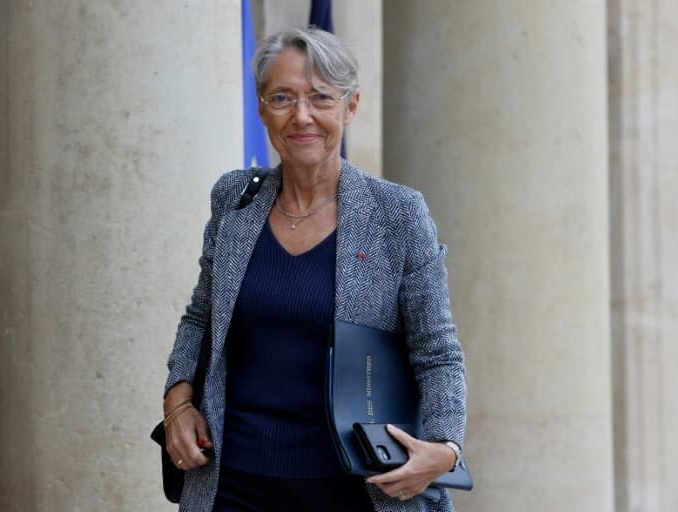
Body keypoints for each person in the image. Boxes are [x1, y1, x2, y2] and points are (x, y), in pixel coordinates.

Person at [162, 27, 467, 512]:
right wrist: (177, 402)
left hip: (356, 489)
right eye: (282, 97)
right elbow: (200, 319)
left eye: (320, 97)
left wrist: (446, 448)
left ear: (350, 106)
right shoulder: (234, 200)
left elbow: (436, 352)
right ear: (261, 108)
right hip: (233, 484)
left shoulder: (398, 214)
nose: (301, 115)